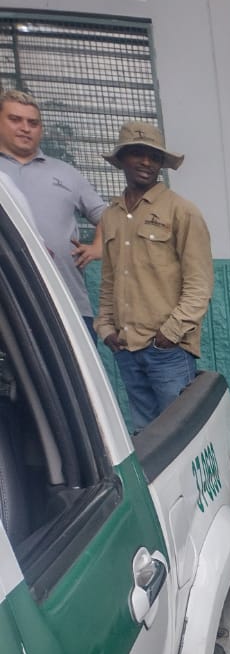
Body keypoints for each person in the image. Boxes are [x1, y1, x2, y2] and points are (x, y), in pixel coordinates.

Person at [95, 121, 212, 432]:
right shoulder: (111, 216)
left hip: (167, 351)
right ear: (121, 159)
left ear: (161, 163)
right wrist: (105, 327)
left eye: (154, 156)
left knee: (179, 437)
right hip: (126, 348)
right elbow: (109, 279)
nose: (146, 162)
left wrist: (170, 334)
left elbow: (199, 284)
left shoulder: (182, 211)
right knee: (146, 439)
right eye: (137, 153)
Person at [0, 88, 105, 332]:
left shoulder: (65, 172)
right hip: (8, 307)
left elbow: (107, 217)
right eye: (15, 119)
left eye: (33, 123)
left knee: (75, 369)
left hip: (68, 303)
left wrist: (98, 246)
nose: (25, 128)